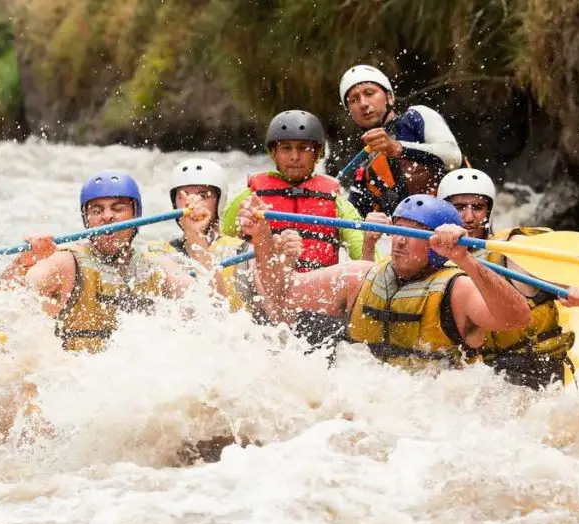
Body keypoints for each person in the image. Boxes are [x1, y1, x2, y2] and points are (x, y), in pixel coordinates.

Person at [0, 170, 293, 352]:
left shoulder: (156, 265)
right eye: (97, 210)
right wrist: (23, 262)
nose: (107, 216)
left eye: (118, 208)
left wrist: (195, 237)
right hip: (74, 376)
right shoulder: (65, 263)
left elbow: (216, 309)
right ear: (86, 220)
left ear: (136, 216)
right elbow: (2, 305)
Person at [244, 194, 531, 372]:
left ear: (435, 245)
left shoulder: (457, 289)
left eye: (415, 232)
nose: (401, 240)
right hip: (372, 399)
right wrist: (262, 238)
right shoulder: (359, 277)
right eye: (397, 229)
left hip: (437, 407)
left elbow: (517, 318)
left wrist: (465, 259)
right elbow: (282, 294)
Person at [437, 168, 579, 388]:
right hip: (475, 373)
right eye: (460, 208)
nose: (469, 217)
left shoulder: (514, 250)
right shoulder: (434, 259)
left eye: (478, 207)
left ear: (489, 212)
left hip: (531, 366)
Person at [147, 157, 303, 317]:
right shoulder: (159, 253)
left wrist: (285, 265)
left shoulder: (244, 252)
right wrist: (194, 237)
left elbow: (279, 314)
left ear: (219, 202)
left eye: (203, 195)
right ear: (175, 203)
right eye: (183, 195)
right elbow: (203, 311)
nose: (192, 202)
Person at [222, 110, 373, 271]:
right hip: (264, 285)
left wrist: (371, 242)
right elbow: (221, 242)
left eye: (303, 148)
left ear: (316, 154)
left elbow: (364, 259)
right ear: (274, 153)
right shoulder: (250, 197)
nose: (294, 156)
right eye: (286, 148)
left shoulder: (336, 202)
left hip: (317, 286)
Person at [337, 64, 463, 224]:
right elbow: (351, 221)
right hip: (409, 240)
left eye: (369, 93)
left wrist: (397, 148)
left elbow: (453, 157)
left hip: (455, 228)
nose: (363, 103)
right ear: (351, 114)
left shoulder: (416, 117)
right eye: (354, 100)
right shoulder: (364, 166)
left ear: (389, 97)